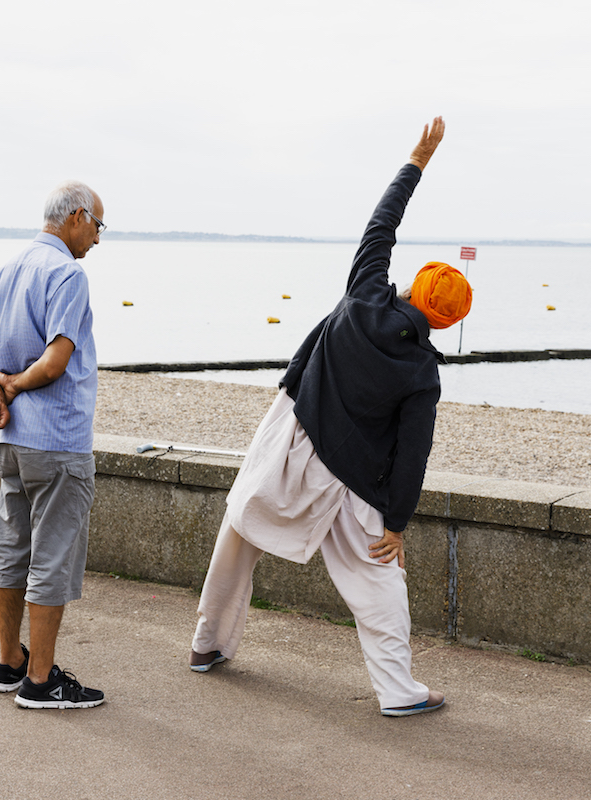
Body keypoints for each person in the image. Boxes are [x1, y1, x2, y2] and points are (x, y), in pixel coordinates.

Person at [188, 117, 472, 717]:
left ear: (411, 285)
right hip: (351, 477)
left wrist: (417, 159)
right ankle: (399, 693)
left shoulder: (364, 289)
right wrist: (395, 522)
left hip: (291, 436)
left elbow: (382, 222)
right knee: (377, 584)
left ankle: (207, 644)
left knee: (237, 534)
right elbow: (412, 452)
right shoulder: (423, 372)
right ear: (444, 322)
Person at [0, 181, 107, 710]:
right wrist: (15, 384)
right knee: (53, 558)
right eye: (97, 226)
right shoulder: (68, 274)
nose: (97, 238)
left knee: (12, 550)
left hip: (10, 440)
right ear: (75, 217)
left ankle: (9, 662)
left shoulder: (11, 268)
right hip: (57, 440)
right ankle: (42, 682)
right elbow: (55, 363)